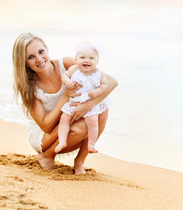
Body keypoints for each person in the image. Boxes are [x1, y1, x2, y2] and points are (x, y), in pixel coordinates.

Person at [12, 33, 117, 174]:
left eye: (41, 51)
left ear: (46, 49)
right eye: (31, 57)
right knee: (83, 128)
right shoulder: (28, 86)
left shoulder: (66, 64)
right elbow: (46, 126)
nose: (39, 59)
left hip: (68, 121)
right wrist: (65, 96)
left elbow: (111, 82)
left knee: (102, 110)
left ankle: (80, 162)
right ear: (24, 62)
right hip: (45, 136)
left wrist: (87, 106)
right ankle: (47, 156)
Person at [55, 42, 110, 154]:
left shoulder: (98, 73)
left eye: (91, 58)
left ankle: (91, 144)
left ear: (97, 61)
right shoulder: (74, 69)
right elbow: (64, 76)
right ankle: (62, 141)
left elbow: (105, 85)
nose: (86, 60)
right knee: (64, 119)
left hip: (89, 103)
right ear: (76, 59)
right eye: (82, 57)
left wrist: (97, 91)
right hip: (74, 101)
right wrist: (68, 82)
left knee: (93, 122)